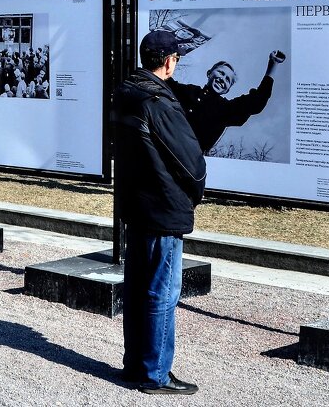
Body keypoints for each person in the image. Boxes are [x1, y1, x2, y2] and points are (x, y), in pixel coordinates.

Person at [113, 29, 203, 395]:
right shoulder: (159, 102)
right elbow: (192, 163)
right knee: (163, 292)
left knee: (137, 288)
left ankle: (135, 364)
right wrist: (193, 194)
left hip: (136, 205)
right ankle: (156, 374)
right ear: (169, 61)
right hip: (163, 207)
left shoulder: (126, 93)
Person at [170, 51, 286, 152]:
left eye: (228, 80)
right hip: (164, 144)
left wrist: (273, 64)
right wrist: (172, 55)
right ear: (209, 73)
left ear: (227, 89)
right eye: (221, 73)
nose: (223, 79)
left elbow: (256, 101)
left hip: (188, 160)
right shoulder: (188, 91)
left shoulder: (225, 109)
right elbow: (163, 82)